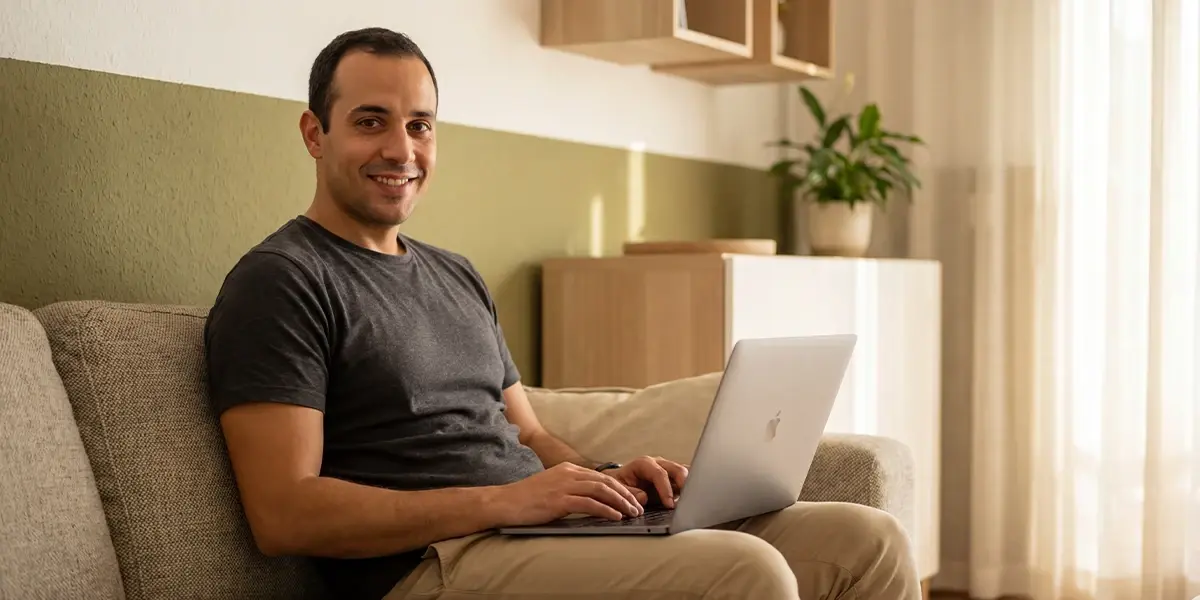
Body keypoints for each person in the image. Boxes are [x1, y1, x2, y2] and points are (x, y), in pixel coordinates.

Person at [203, 26, 922, 600]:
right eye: (371, 122)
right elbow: (283, 512)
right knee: (746, 572)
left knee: (869, 541)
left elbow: (533, 435)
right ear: (313, 133)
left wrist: (610, 477)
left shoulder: (455, 274)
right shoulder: (283, 281)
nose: (402, 149)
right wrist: (502, 503)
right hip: (430, 567)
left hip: (533, 535)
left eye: (421, 126)